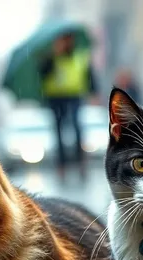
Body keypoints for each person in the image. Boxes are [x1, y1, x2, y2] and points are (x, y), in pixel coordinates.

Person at [40, 32, 97, 181]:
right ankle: (61, 166)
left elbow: (89, 75)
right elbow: (42, 74)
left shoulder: (80, 56)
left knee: (77, 129)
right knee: (58, 131)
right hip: (55, 97)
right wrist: (53, 55)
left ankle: (81, 164)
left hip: (74, 96)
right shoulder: (51, 57)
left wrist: (93, 91)